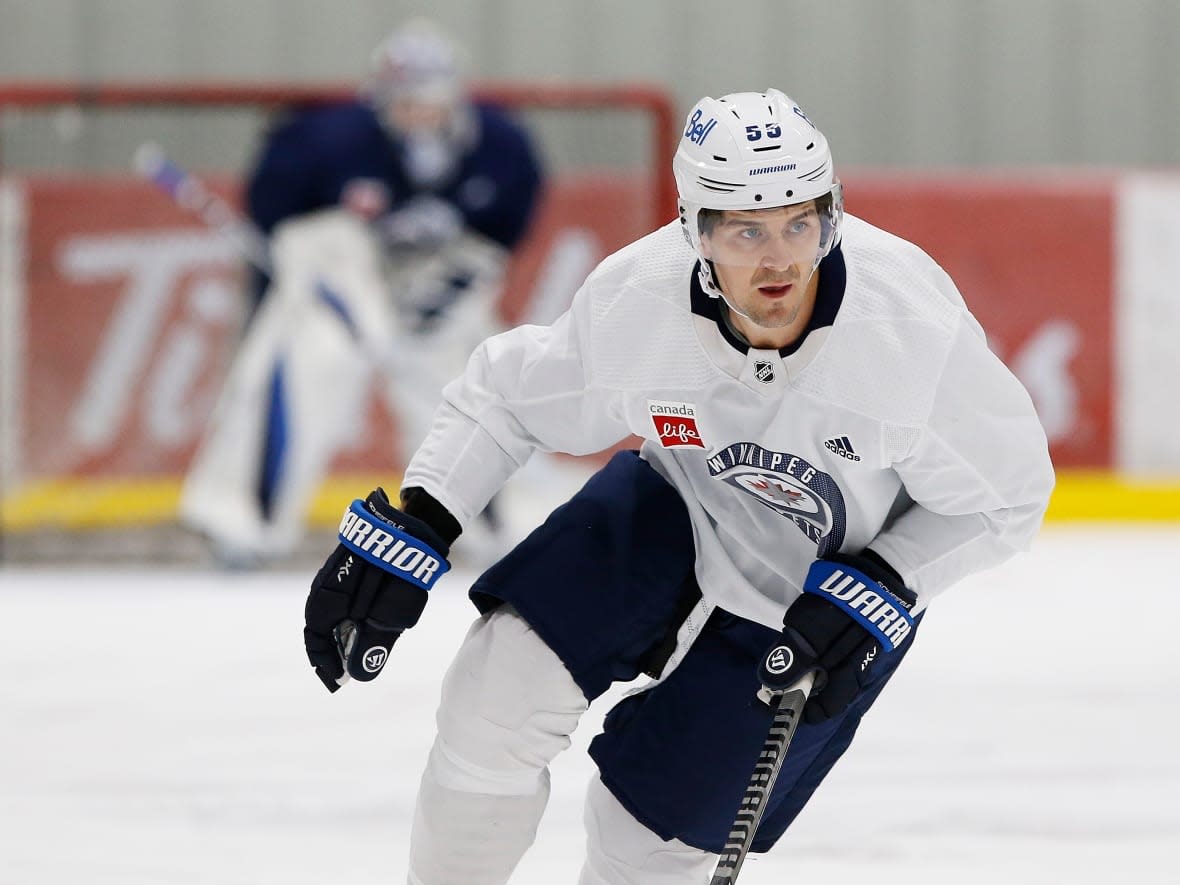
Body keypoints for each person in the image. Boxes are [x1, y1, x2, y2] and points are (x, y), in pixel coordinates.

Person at [302, 89, 1055, 883]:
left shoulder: (905, 331)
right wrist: (418, 524)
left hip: (822, 591)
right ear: (695, 230)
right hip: (675, 508)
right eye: (746, 230)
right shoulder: (641, 305)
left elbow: (1010, 493)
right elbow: (504, 396)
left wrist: (889, 581)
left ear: (833, 213)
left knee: (647, 845)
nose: (780, 262)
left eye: (802, 223)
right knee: (493, 699)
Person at [179, 18, 543, 566]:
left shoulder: (501, 145)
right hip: (345, 277)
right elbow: (280, 224)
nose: (419, 113)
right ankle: (243, 519)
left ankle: (502, 524)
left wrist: (443, 281)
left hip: (437, 287)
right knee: (312, 357)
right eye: (406, 101)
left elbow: (500, 236)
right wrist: (337, 275)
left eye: (431, 99)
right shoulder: (325, 142)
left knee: (471, 379)